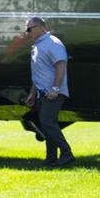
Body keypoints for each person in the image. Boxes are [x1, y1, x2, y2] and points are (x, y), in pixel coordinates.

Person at [24, 17, 74, 167]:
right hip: (42, 92)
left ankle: (67, 154)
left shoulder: (52, 43)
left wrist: (55, 89)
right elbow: (38, 73)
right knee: (47, 124)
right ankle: (51, 158)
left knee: (47, 122)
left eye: (29, 29)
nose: (27, 33)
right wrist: (32, 93)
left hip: (53, 92)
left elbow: (61, 65)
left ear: (40, 27)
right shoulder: (38, 46)